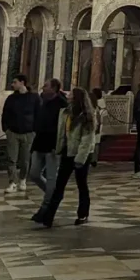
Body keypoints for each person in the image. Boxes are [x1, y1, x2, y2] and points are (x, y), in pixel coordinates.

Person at [39, 87, 95, 228]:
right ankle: (48, 216)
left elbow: (87, 139)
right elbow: (62, 133)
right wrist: (59, 148)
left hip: (81, 155)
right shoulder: (66, 113)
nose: (68, 95)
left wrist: (80, 159)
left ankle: (83, 214)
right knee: (59, 185)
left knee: (81, 184)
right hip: (67, 152)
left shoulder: (87, 116)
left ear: (77, 98)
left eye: (70, 94)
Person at [29, 79, 67, 222]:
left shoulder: (62, 104)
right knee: (34, 173)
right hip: (39, 142)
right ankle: (54, 195)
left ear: (54, 88)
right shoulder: (42, 100)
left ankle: (45, 207)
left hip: (53, 146)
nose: (43, 88)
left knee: (52, 177)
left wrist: (58, 145)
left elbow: (62, 128)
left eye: (46, 86)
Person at [2, 73, 39, 195]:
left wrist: (35, 130)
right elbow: (5, 114)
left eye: (15, 82)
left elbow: (38, 114)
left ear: (22, 83)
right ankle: (12, 182)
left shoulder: (34, 98)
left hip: (28, 133)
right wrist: (6, 129)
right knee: (11, 158)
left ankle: (22, 179)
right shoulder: (11, 98)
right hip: (13, 132)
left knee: (25, 159)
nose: (12, 85)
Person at [90, 88, 106, 165]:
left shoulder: (95, 104)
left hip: (96, 125)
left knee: (94, 143)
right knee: (96, 143)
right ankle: (94, 159)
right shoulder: (102, 104)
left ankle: (92, 159)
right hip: (99, 125)